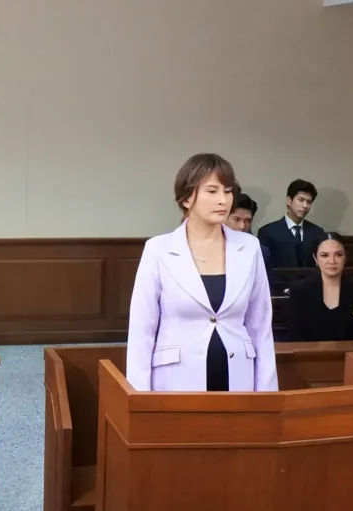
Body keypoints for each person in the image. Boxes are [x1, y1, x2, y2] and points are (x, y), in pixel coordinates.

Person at [125, 153, 277, 393]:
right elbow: (141, 330)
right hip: (176, 381)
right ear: (187, 198)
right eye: (212, 191)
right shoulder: (158, 250)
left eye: (228, 191)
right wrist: (139, 398)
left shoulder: (249, 248)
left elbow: (261, 327)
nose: (223, 200)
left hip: (237, 377)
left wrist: (267, 395)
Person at [285, 233, 353, 342]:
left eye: (338, 255)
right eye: (324, 255)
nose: (332, 261)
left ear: (346, 257)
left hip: (350, 351)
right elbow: (295, 335)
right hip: (308, 352)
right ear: (315, 258)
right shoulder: (299, 290)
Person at [257, 179, 326, 268]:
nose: (305, 206)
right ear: (289, 201)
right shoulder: (267, 232)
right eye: (301, 200)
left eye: (309, 202)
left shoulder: (317, 232)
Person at [229, 193, 274, 272]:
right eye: (236, 219)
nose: (242, 226)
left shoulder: (261, 252)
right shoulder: (210, 248)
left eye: (248, 221)